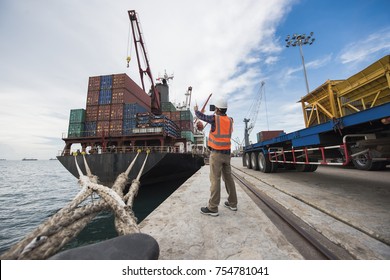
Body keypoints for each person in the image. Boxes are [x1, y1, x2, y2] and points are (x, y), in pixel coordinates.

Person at [194, 98, 238, 216]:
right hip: (227, 154)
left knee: (215, 179)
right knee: (228, 178)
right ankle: (233, 203)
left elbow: (202, 117)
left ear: (217, 109)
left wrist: (196, 111)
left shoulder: (214, 119)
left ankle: (213, 208)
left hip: (217, 154)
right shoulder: (230, 120)